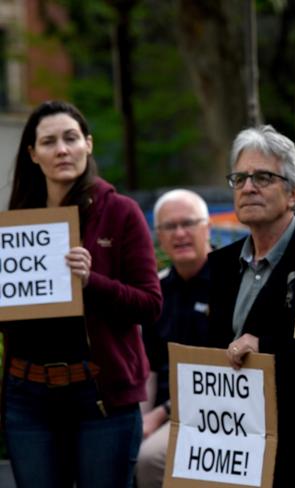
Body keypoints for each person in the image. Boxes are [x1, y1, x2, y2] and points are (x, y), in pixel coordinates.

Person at [2, 100, 162, 487]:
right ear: (32, 154)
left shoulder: (121, 213)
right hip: (28, 398)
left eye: (71, 138)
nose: (61, 149)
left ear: (88, 145)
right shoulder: (17, 223)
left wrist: (93, 281)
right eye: (49, 141)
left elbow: (150, 304)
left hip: (100, 397)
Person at [207, 125, 295, 488]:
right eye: (240, 178)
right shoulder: (221, 263)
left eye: (262, 177)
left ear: (293, 194)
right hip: (232, 442)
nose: (247, 187)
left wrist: (267, 345)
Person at [136, 189, 213, 488]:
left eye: (188, 223)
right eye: (169, 226)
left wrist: (160, 414)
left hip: (215, 409)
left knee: (149, 459)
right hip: (164, 414)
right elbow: (151, 368)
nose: (179, 233)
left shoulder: (230, 282)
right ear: (158, 236)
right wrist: (138, 421)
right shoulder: (157, 290)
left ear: (206, 226)